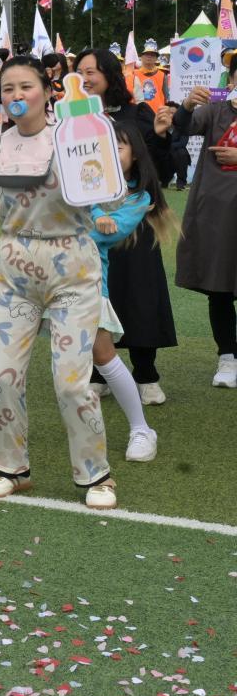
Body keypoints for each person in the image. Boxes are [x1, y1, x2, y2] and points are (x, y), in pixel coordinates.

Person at [0, 56, 116, 509]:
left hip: (72, 270)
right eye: (8, 88)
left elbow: (108, 195)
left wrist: (96, 146)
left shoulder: (73, 135)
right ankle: (10, 468)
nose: (16, 95)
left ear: (47, 92)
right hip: (14, 272)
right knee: (4, 377)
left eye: (26, 86)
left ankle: (96, 475)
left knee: (71, 382)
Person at [73, 48, 177, 395]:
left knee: (139, 292)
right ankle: (100, 372)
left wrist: (159, 136)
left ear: (109, 73)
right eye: (79, 72)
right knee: (96, 292)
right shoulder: (73, 118)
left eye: (91, 71)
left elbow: (158, 169)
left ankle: (146, 373)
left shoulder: (137, 113)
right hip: (90, 219)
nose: (84, 78)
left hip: (133, 220)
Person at [85, 123, 169, 463]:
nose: (109, 154)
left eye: (118, 147)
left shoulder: (140, 196)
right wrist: (93, 213)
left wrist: (90, 218)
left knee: (107, 349)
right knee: (20, 351)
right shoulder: (84, 184)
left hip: (94, 281)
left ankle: (141, 424)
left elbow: (108, 230)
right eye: (103, 147)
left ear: (135, 154)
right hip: (57, 277)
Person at [170, 51, 237, 388]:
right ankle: (228, 356)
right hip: (215, 214)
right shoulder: (215, 110)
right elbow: (183, 128)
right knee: (219, 286)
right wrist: (185, 106)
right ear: (231, 80)